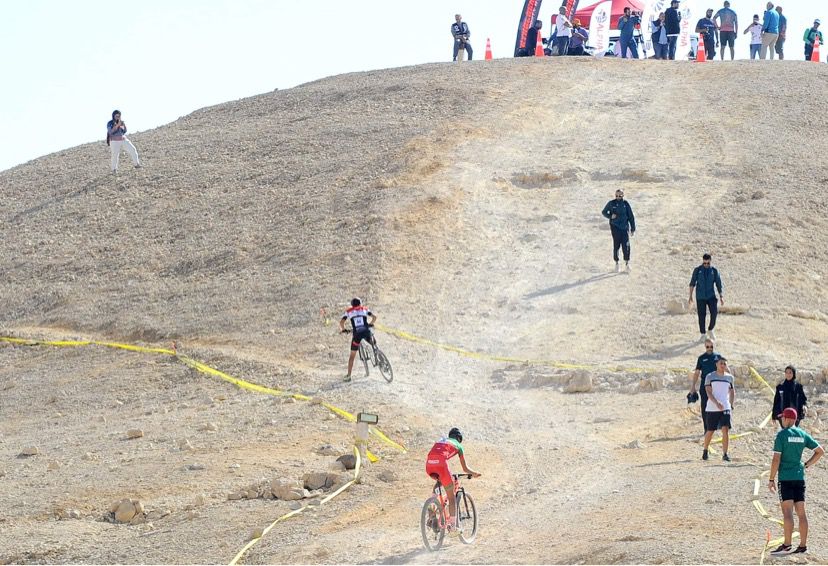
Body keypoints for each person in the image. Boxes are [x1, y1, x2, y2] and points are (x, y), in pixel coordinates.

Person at [768, 408, 824, 556]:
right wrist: (806, 464)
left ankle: (787, 545)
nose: (781, 421)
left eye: (782, 418)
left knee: (787, 512)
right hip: (799, 478)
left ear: (787, 419)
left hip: (785, 478)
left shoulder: (782, 435)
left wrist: (771, 479)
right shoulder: (802, 434)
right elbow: (820, 451)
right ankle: (803, 546)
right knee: (801, 513)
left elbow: (776, 459)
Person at [425, 428, 481, 532]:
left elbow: (436, 454)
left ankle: (431, 514)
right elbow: (465, 468)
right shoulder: (458, 445)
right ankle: (453, 527)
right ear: (459, 438)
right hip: (441, 465)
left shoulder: (442, 440)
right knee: (452, 498)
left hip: (429, 465)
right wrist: (474, 474)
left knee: (439, 482)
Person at [702, 357, 734, 462]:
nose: (723, 365)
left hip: (725, 407)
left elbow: (732, 391)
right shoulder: (710, 376)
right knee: (710, 431)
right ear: (716, 364)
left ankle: (725, 454)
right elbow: (708, 392)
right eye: (721, 363)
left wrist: (731, 404)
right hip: (712, 408)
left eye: (725, 363)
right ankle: (705, 450)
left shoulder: (730, 377)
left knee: (725, 430)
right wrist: (716, 402)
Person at [338, 298, 376, 382]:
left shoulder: (349, 311)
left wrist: (344, 329)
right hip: (366, 332)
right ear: (360, 303)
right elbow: (374, 317)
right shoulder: (364, 309)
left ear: (352, 305)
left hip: (357, 335)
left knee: (352, 356)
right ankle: (377, 354)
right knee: (372, 341)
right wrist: (370, 324)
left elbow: (341, 322)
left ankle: (348, 376)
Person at [689, 338, 722, 433]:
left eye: (711, 346)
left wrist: (729, 379)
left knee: (717, 405)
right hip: (705, 385)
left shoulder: (718, 357)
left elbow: (725, 368)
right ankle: (706, 429)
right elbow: (696, 373)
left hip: (716, 385)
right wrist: (693, 387)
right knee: (704, 407)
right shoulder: (701, 358)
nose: (710, 348)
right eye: (708, 346)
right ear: (705, 347)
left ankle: (716, 426)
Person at [688, 253, 723, 341]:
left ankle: (710, 330)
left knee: (714, 313)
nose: (706, 265)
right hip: (700, 297)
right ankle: (703, 334)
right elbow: (692, 283)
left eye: (708, 263)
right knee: (701, 315)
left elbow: (719, 284)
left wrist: (721, 296)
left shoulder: (714, 271)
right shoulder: (697, 270)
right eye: (704, 263)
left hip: (711, 296)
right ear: (702, 262)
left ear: (710, 261)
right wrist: (690, 296)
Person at [601, 190, 636, 272]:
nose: (618, 197)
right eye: (616, 195)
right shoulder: (611, 203)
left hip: (624, 228)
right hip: (615, 228)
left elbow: (631, 217)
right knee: (616, 246)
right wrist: (610, 216)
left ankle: (627, 264)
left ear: (623, 195)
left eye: (620, 196)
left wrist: (633, 228)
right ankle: (616, 264)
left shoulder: (626, 204)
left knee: (626, 246)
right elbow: (604, 212)